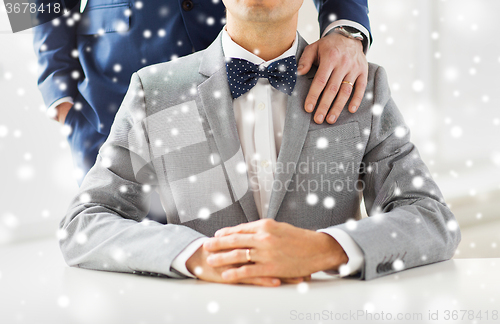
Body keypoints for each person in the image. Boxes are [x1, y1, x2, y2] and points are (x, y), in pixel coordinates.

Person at [58, 0, 461, 286]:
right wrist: (54, 85)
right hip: (110, 88)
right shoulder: (151, 89)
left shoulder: (362, 89)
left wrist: (328, 249)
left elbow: (431, 218)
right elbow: (85, 225)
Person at [33, 0, 372, 187]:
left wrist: (346, 27)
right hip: (109, 93)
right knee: (121, 251)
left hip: (240, 76)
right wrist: (56, 89)